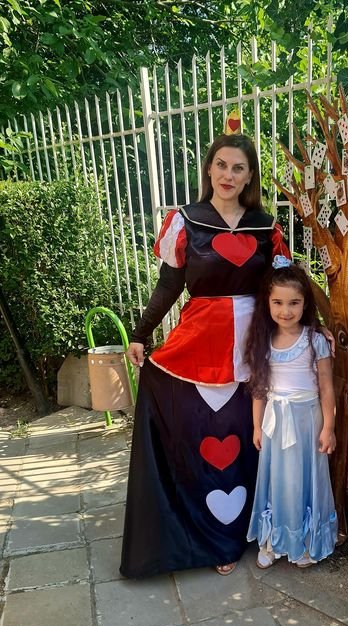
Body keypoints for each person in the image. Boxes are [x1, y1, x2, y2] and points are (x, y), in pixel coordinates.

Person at [120, 133, 291, 578]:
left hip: (254, 348)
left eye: (238, 168)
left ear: (250, 176)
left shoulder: (265, 228)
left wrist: (311, 331)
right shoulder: (187, 222)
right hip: (198, 348)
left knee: (245, 443)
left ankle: (240, 534)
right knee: (203, 443)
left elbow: (285, 288)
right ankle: (203, 535)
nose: (228, 175)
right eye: (221, 165)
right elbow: (169, 285)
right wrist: (140, 333)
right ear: (209, 169)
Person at [245, 259, 338, 569]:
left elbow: (326, 388)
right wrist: (256, 426)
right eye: (278, 302)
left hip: (308, 422)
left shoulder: (315, 340)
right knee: (278, 480)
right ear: (267, 303)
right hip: (274, 423)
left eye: (294, 303)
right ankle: (273, 541)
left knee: (305, 481)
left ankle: (306, 542)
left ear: (305, 303)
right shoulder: (263, 342)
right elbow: (259, 389)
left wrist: (328, 428)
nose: (286, 310)